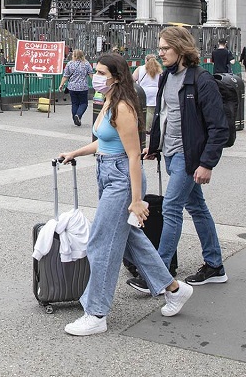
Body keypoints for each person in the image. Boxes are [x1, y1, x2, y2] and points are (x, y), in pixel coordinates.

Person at [56, 52, 193, 336]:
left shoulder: (124, 108)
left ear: (116, 77)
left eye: (101, 72)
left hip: (121, 178)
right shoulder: (108, 100)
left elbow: (133, 156)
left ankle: (96, 313)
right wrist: (75, 152)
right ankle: (174, 289)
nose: (96, 76)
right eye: (96, 70)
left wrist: (136, 199)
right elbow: (103, 143)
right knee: (131, 240)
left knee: (101, 243)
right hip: (107, 172)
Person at [134, 26, 229, 291]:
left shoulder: (201, 80)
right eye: (160, 48)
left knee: (171, 209)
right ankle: (215, 265)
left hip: (189, 158)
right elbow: (165, 116)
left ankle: (158, 273)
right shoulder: (166, 77)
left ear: (181, 48)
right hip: (171, 154)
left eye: (165, 48)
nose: (160, 53)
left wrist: (206, 163)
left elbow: (218, 127)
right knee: (197, 208)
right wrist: (154, 146)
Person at [59, 48, 93, 127]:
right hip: (83, 87)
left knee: (74, 103)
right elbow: (91, 75)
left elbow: (65, 76)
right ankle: (78, 115)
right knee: (84, 103)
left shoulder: (70, 64)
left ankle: (75, 117)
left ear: (74, 56)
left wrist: (61, 85)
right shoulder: (86, 64)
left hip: (72, 87)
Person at [132, 54, 160, 145]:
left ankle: (142, 127)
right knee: (151, 111)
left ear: (146, 60)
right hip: (155, 91)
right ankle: (149, 128)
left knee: (141, 110)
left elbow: (133, 78)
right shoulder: (158, 69)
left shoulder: (140, 68)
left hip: (142, 91)